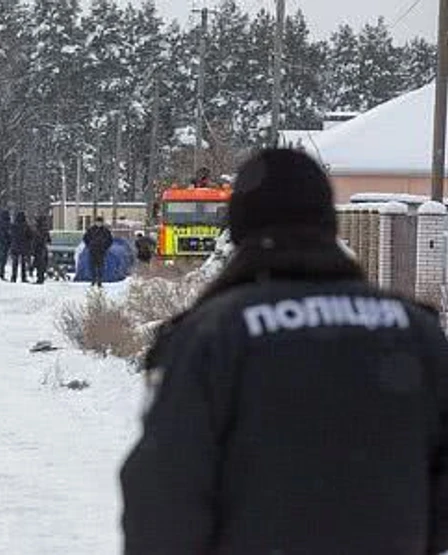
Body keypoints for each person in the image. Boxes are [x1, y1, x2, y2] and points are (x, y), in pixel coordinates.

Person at [120, 149, 448, 555]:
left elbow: (163, 494)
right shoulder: (417, 333)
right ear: (327, 222)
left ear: (239, 227)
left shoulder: (212, 336)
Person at [82, 217, 113, 287]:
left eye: (100, 222)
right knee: (92, 266)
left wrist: (105, 247)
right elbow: (85, 238)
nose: (99, 224)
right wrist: (89, 245)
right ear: (95, 222)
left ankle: (100, 281)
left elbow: (110, 240)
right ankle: (93, 280)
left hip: (101, 251)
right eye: (97, 222)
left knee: (100, 267)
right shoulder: (91, 230)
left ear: (102, 223)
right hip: (92, 250)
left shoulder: (105, 231)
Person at [9, 211, 31, 283]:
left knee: (14, 263)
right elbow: (30, 236)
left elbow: (10, 235)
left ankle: (13, 277)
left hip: (15, 246)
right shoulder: (26, 226)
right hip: (23, 246)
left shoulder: (13, 226)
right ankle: (23, 277)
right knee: (23, 263)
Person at [31, 215, 51, 285]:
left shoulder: (37, 230)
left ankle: (39, 278)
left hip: (38, 248)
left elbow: (34, 240)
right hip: (43, 248)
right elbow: (49, 240)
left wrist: (32, 250)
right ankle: (41, 277)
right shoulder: (45, 230)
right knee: (42, 264)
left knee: (38, 264)